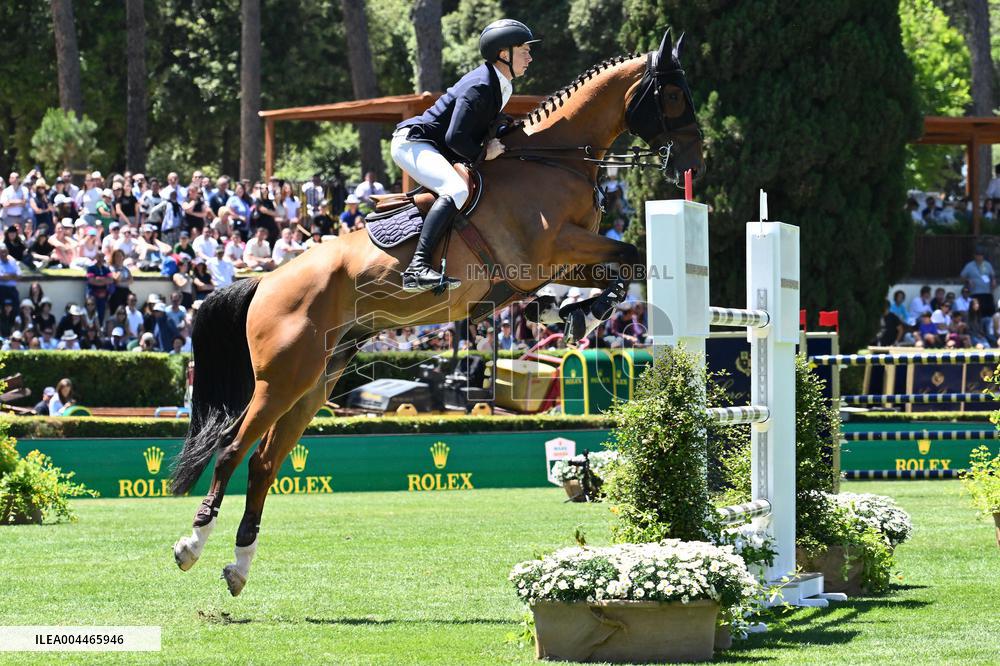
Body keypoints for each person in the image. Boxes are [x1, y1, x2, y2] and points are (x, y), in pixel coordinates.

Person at [390, 19, 537, 292]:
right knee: (456, 189)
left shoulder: (500, 84)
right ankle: (417, 268)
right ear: (504, 54)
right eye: (524, 50)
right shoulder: (480, 85)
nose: (530, 57)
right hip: (413, 143)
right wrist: (485, 153)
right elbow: (455, 138)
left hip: (432, 146)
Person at [960, 248, 997, 318]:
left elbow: (992, 275)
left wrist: (993, 280)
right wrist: (967, 280)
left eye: (981, 255)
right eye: (978, 255)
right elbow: (961, 277)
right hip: (975, 293)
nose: (979, 257)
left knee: (990, 313)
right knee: (977, 314)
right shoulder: (969, 265)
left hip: (987, 293)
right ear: (974, 255)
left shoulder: (987, 264)